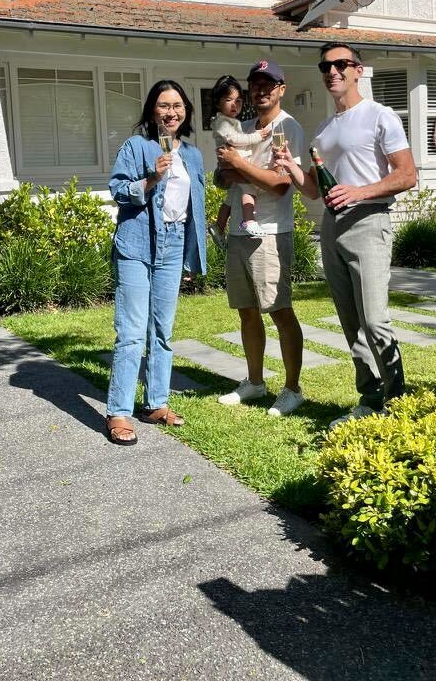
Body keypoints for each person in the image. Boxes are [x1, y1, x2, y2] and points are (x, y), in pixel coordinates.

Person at [275, 42, 418, 427]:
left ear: (358, 70)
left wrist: (360, 191)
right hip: (332, 225)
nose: (332, 71)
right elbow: (314, 189)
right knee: (351, 323)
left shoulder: (379, 116)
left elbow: (407, 174)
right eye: (325, 66)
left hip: (369, 222)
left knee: (374, 320)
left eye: (341, 64)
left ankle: (400, 403)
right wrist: (291, 166)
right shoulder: (323, 129)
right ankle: (370, 401)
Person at [105, 79, 207, 444]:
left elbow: (196, 207)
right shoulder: (137, 146)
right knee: (131, 332)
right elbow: (118, 190)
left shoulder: (193, 155)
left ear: (186, 112)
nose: (171, 112)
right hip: (136, 243)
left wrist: (195, 255)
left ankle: (156, 403)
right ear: (152, 110)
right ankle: (119, 411)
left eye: (177, 106)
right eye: (164, 106)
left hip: (174, 243)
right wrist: (152, 178)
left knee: (162, 330)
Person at [214, 60, 306, 417]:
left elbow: (283, 185)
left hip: (269, 234)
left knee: (280, 311)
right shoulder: (243, 127)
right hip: (239, 230)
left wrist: (239, 165)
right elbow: (222, 178)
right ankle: (254, 381)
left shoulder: (288, 127)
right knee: (247, 312)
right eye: (256, 84)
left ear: (282, 88)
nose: (262, 90)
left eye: (270, 84)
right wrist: (230, 169)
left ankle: (293, 388)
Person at [209, 74, 272, 243]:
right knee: (249, 188)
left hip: (231, 163)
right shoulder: (222, 122)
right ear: (218, 102)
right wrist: (257, 137)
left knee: (231, 198)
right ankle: (249, 220)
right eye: (229, 100)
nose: (234, 104)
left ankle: (219, 227)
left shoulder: (231, 121)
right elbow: (235, 140)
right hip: (231, 164)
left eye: (238, 101)